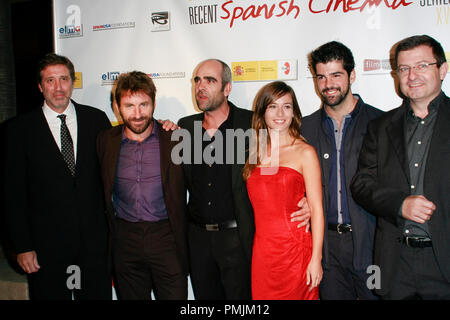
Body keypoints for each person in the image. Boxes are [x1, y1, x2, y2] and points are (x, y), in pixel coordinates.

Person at [177, 59, 312, 299]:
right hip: (198, 241)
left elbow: (289, 156)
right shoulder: (185, 127)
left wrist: (308, 199)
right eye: (197, 80)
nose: (201, 86)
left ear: (227, 88)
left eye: (210, 80)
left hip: (238, 239)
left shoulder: (252, 124)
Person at [3, 53, 112, 300]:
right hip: (45, 249)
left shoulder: (96, 120)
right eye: (50, 81)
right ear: (40, 87)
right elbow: (13, 194)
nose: (58, 87)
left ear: (72, 82)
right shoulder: (19, 130)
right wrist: (23, 247)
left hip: (94, 246)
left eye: (63, 79)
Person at [351, 34, 450, 299]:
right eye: (404, 68)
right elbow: (362, 184)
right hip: (396, 265)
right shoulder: (381, 127)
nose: (412, 75)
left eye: (421, 66)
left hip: (444, 264)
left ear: (442, 69)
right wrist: (400, 204)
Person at [300, 41, 383, 300]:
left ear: (352, 75)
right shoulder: (304, 129)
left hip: (371, 245)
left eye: (336, 75)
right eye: (321, 77)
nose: (328, 84)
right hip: (327, 249)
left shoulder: (380, 123)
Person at [96, 71, 188, 300]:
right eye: (129, 105)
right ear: (117, 107)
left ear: (154, 104)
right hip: (124, 238)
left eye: (143, 105)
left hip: (166, 237)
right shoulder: (105, 140)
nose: (137, 114)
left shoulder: (176, 139)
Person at [243, 81, 324, 300]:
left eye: (287, 106)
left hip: (295, 253)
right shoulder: (254, 151)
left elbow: (316, 210)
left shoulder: (304, 152)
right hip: (263, 255)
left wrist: (316, 259)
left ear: (294, 112)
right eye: (272, 106)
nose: (280, 113)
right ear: (262, 112)